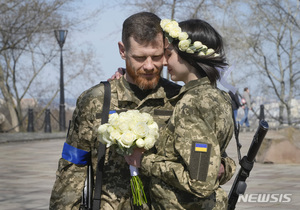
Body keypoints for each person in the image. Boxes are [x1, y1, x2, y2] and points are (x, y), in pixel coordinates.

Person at [50, 12, 235, 210]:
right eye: (139, 58)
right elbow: (73, 165)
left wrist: (220, 169)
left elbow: (215, 159)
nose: (149, 66)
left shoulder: (181, 99)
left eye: (156, 57)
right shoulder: (96, 100)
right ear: (123, 51)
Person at [125, 18, 235, 209]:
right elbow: (209, 164)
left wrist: (144, 161)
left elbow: (199, 182)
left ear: (186, 55)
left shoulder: (192, 104)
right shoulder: (218, 97)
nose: (165, 62)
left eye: (169, 54)